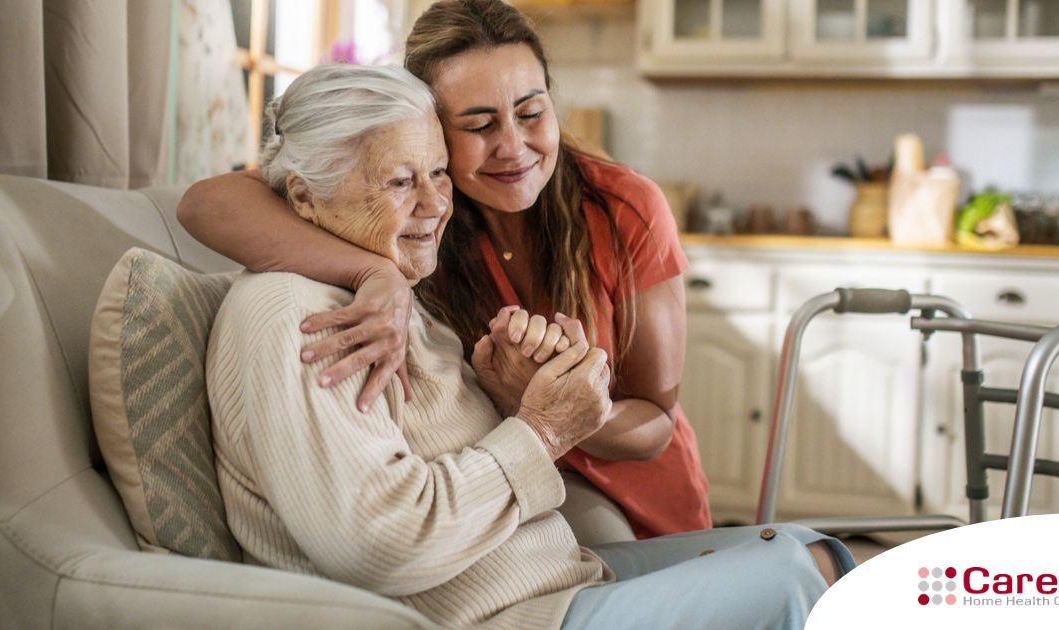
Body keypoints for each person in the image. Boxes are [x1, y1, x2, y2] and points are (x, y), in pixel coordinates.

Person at [207, 62, 853, 630]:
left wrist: (511, 392)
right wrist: (540, 429)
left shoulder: (387, 287)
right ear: (302, 196)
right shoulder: (298, 318)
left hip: (556, 580)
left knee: (812, 549)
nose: (437, 204)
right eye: (400, 182)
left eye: (437, 173)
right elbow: (382, 542)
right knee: (796, 579)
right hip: (512, 617)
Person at [179, 0, 708, 542]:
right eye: (478, 124)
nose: (513, 147)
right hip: (510, 495)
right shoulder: (420, 219)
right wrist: (374, 274)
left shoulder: (624, 207)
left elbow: (657, 424)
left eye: (531, 113)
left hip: (642, 502)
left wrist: (559, 408)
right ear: (430, 127)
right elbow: (205, 204)